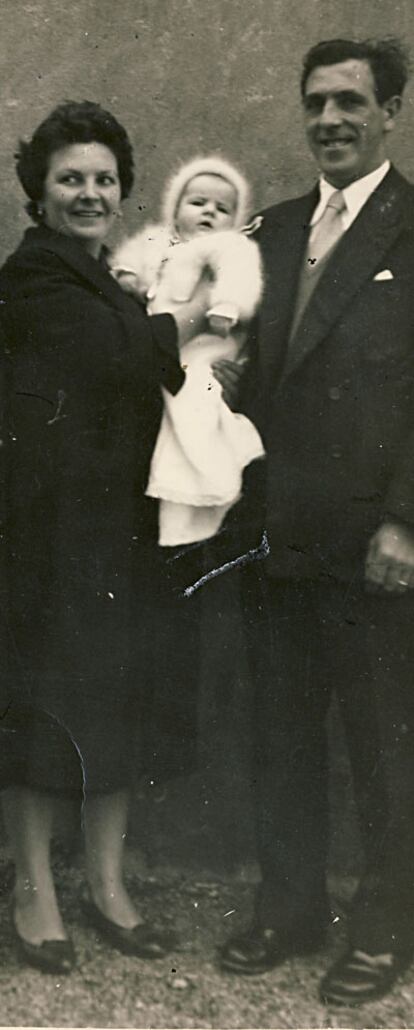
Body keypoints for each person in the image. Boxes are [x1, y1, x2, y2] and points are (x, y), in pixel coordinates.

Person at [216, 38, 414, 1006]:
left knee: (384, 741)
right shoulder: (276, 228)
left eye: (350, 103)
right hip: (277, 531)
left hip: (372, 541)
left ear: (391, 113)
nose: (329, 120)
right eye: (315, 104)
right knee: (282, 731)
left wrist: (405, 524)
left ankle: (384, 927)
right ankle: (288, 906)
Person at [0, 100, 206, 975]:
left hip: (118, 532)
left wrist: (144, 308)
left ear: (121, 191)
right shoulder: (33, 279)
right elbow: (118, 358)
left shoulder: (106, 278)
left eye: (104, 180)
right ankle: (34, 890)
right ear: (38, 196)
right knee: (43, 715)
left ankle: (110, 886)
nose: (90, 193)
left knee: (116, 710)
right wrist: (182, 322)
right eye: (70, 179)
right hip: (47, 540)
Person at [112, 155, 264, 548]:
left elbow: (241, 276)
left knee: (196, 410)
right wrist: (129, 275)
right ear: (176, 208)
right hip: (162, 343)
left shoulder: (230, 245)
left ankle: (198, 496)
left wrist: (226, 305)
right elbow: (134, 261)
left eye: (222, 208)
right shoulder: (158, 240)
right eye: (197, 202)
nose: (209, 212)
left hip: (208, 341)